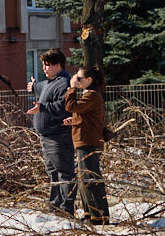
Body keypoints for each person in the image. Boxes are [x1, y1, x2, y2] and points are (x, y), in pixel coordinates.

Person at [27, 48, 76, 213]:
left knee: (64, 172)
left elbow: (62, 106)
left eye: (47, 65)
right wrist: (33, 86)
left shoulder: (64, 83)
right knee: (53, 172)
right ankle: (55, 206)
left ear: (57, 65)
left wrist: (42, 107)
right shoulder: (51, 82)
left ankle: (66, 208)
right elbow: (42, 87)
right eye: (43, 65)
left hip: (58, 136)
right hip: (47, 136)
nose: (44, 69)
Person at [64, 65, 108, 223]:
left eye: (79, 78)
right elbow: (85, 116)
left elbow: (71, 106)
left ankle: (100, 215)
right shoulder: (89, 95)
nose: (76, 80)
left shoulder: (92, 95)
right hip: (84, 140)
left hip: (89, 142)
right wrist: (74, 120)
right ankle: (90, 213)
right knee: (84, 180)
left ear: (90, 80)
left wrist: (71, 88)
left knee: (90, 179)